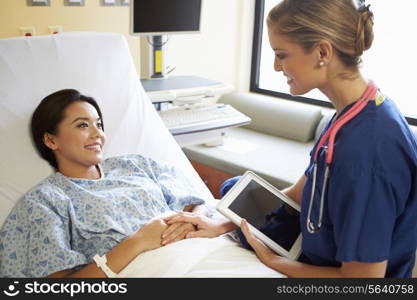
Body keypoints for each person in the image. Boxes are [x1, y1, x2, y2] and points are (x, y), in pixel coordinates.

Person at [165, 0, 417, 278]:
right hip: (313, 252)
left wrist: (276, 263)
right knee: (233, 188)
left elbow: (363, 281)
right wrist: (221, 224)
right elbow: (298, 194)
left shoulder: (367, 153)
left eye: (282, 54)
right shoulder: (354, 111)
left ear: (322, 51)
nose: (275, 67)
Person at [0, 89, 211, 278]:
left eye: (99, 124)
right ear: (51, 140)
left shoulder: (135, 165)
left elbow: (196, 203)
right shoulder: (45, 201)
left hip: (203, 253)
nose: (98, 134)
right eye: (83, 125)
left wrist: (192, 221)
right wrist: (138, 242)